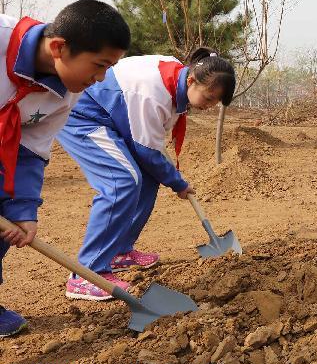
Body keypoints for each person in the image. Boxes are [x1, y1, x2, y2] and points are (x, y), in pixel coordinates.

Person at [0, 0, 129, 364]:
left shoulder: (65, 92)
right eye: (99, 65)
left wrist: (24, 210)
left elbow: (31, 147)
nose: (102, 79)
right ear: (59, 48)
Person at [56, 48, 235, 301]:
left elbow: (149, 148)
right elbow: (147, 152)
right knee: (122, 182)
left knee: (149, 177)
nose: (209, 106)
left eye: (215, 103)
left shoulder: (178, 78)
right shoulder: (154, 93)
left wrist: (169, 176)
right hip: (84, 114)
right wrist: (178, 182)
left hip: (115, 119)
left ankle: (119, 251)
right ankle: (87, 273)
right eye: (208, 98)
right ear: (192, 80)